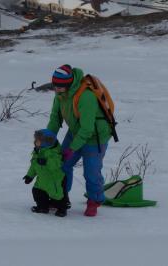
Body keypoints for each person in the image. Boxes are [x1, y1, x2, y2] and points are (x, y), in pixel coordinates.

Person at [47, 64, 112, 217]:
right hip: (76, 131)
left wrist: (73, 148)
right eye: (55, 85)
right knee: (62, 165)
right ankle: (61, 197)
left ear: (69, 83)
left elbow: (87, 129)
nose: (57, 89)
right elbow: (55, 119)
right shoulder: (60, 94)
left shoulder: (86, 96)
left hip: (95, 137)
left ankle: (94, 200)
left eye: (61, 86)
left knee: (91, 172)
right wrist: (48, 142)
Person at [23, 129, 68, 217]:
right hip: (41, 181)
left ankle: (62, 209)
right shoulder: (38, 151)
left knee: (58, 196)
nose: (35, 142)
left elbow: (56, 164)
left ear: (46, 142)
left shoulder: (56, 152)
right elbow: (34, 165)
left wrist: (46, 162)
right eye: (36, 140)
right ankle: (42, 207)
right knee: (37, 192)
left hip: (54, 181)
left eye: (38, 140)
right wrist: (29, 176)